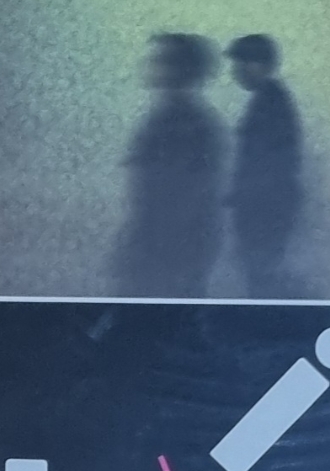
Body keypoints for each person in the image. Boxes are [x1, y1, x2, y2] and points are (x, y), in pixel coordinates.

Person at [112, 33, 226, 298]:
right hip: (164, 250)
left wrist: (148, 251)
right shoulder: (174, 118)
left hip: (170, 254)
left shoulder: (186, 124)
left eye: (160, 60)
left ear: (179, 69)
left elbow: (182, 198)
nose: (150, 65)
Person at [225, 34, 304, 298]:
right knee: (261, 276)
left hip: (264, 211)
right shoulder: (270, 100)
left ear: (264, 65)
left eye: (244, 63)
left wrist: (245, 201)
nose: (237, 71)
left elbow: (267, 164)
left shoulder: (270, 103)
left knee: (262, 278)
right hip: (266, 208)